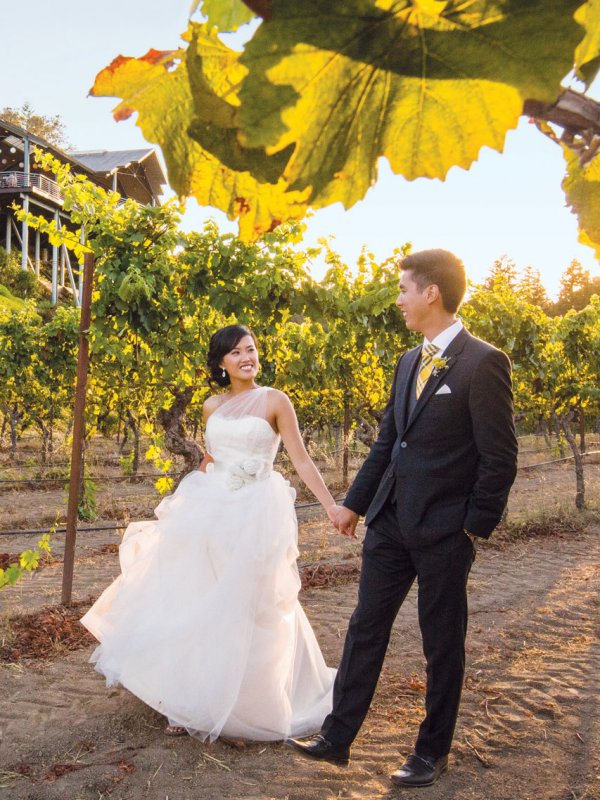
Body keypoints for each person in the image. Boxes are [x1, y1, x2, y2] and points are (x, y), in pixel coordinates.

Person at [289, 249, 518, 787]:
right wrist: (354, 504)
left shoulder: (484, 362)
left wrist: (472, 525)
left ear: (431, 292)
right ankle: (337, 736)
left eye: (403, 289)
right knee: (365, 627)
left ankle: (431, 751)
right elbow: (389, 442)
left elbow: (500, 456)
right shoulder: (407, 361)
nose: (398, 299)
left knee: (441, 641)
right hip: (390, 522)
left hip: (444, 529)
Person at [81, 324, 343, 742]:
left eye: (251, 349)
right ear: (221, 362)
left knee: (250, 603)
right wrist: (185, 504)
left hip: (256, 510)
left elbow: (302, 460)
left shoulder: (275, 400)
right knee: (197, 596)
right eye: (236, 352)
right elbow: (211, 458)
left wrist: (331, 505)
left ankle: (247, 701)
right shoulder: (211, 406)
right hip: (211, 506)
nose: (246, 357)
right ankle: (189, 698)